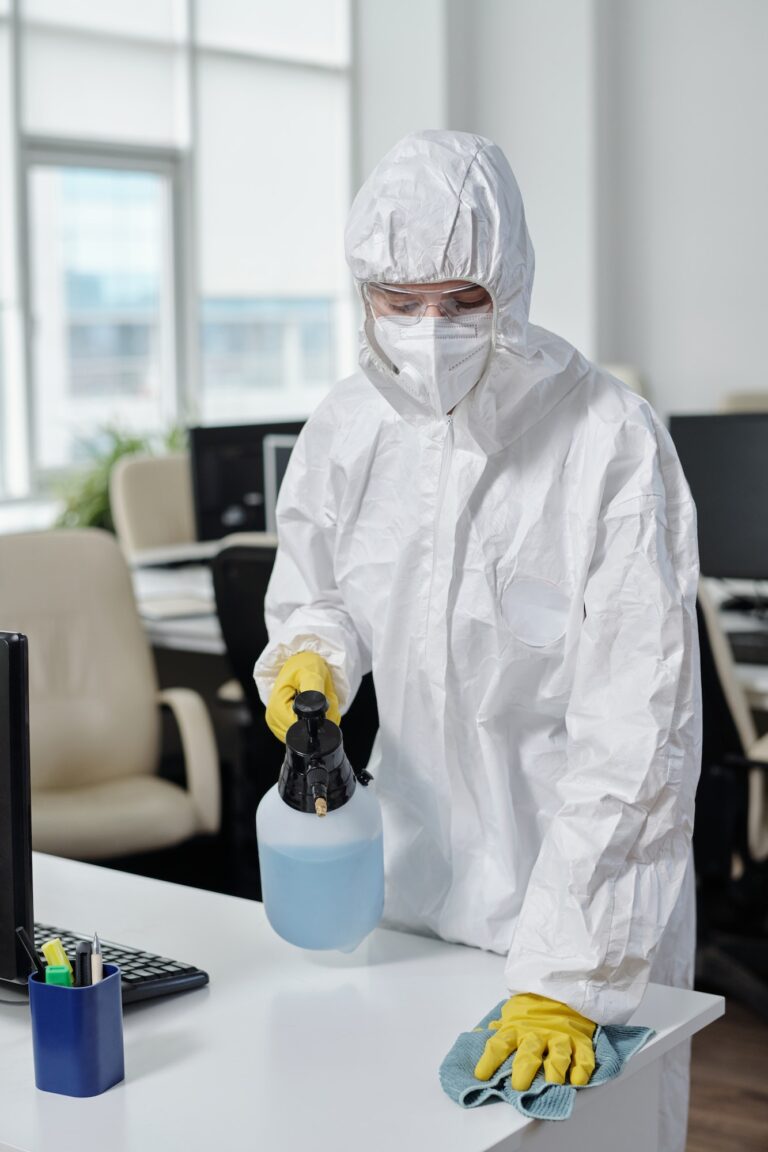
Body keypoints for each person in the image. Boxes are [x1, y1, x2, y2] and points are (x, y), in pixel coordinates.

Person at [254, 130, 700, 1152]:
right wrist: (314, 658)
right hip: (409, 895)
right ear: (362, 291)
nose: (429, 330)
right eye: (399, 301)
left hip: (583, 910)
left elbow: (638, 736)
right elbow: (320, 594)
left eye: (462, 301)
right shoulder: (347, 429)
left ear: (512, 280)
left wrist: (568, 975)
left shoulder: (609, 440)